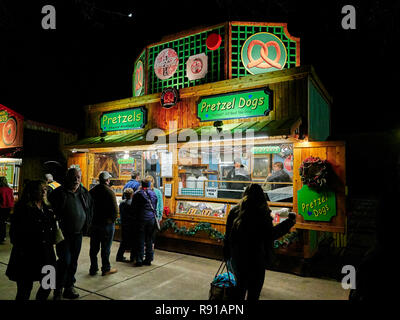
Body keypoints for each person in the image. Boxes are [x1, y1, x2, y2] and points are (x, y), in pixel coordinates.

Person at [223, 184, 296, 300]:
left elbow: (228, 235)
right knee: (254, 292)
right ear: (261, 196)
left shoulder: (234, 211)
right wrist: (289, 222)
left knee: (239, 289)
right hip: (256, 258)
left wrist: (227, 253)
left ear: (245, 194)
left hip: (238, 257)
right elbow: (270, 234)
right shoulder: (262, 213)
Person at [5, 180, 57, 300]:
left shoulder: (47, 207)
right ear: (31, 192)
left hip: (46, 254)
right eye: (41, 189)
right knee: (24, 290)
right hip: (27, 256)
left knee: (48, 284)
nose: (44, 191)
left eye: (45, 189)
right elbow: (14, 235)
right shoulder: (22, 209)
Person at [48, 167, 93, 300]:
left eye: (78, 177)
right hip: (63, 234)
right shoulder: (58, 193)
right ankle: (57, 288)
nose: (76, 180)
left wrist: (87, 224)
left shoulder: (84, 193)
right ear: (67, 177)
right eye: (73, 177)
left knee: (73, 262)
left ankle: (69, 287)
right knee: (65, 261)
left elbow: (90, 209)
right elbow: (50, 211)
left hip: (78, 234)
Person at [89, 171, 118, 276]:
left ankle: (93, 268)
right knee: (105, 248)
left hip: (95, 223)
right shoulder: (110, 192)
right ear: (107, 180)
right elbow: (115, 210)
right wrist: (113, 220)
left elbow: (88, 207)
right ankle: (105, 268)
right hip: (107, 224)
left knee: (94, 248)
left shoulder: (92, 191)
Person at [131, 179, 158, 267]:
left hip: (141, 219)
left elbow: (133, 207)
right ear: (149, 185)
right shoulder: (153, 193)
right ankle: (149, 259)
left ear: (141, 185)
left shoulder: (138, 194)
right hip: (151, 219)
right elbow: (155, 205)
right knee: (149, 239)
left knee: (140, 239)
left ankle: (139, 259)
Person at [116, 188, 135, 262]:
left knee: (123, 241)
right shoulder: (133, 203)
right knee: (133, 241)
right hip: (131, 224)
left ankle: (119, 256)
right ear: (132, 194)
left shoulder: (122, 203)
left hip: (124, 223)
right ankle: (132, 257)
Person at [0, 176, 14, 243]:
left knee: (1, 222)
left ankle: (2, 237)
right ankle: (3, 237)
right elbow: (12, 199)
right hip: (8, 208)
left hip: (1, 208)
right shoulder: (10, 189)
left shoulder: (0, 189)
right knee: (3, 222)